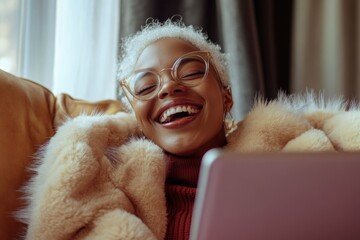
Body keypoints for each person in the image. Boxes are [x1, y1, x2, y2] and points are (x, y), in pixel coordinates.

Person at [19, 19, 360, 240]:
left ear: (226, 96)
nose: (168, 88)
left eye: (191, 71)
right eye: (145, 85)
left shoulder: (293, 154)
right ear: (137, 116)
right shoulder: (110, 180)